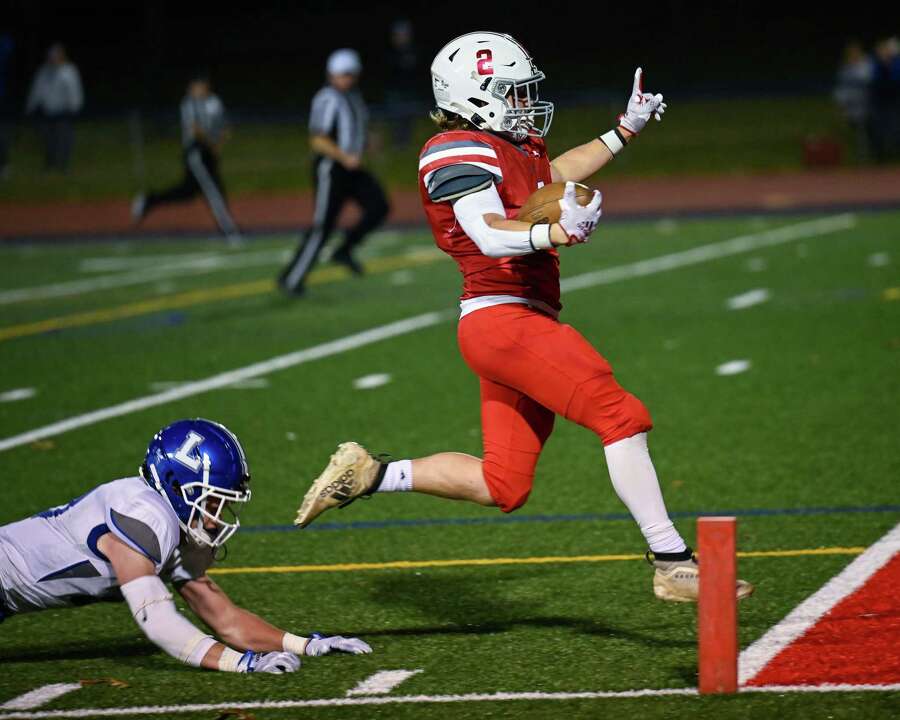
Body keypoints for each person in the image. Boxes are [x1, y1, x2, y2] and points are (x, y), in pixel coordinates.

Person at [295, 32, 753, 604]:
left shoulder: (511, 147)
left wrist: (625, 129)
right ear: (474, 95)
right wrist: (553, 231)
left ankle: (372, 473)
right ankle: (671, 559)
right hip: (503, 319)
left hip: (508, 322)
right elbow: (487, 230)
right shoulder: (454, 147)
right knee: (620, 415)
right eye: (510, 93)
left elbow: (554, 172)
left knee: (503, 484)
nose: (521, 103)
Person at [0, 418, 371, 673]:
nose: (216, 516)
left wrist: (304, 645)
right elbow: (157, 621)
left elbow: (226, 621)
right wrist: (241, 664)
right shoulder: (146, 516)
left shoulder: (173, 524)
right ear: (176, 485)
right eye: (211, 502)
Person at [278, 49, 389, 296]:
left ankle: (345, 249)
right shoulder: (328, 98)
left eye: (349, 74)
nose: (346, 79)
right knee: (323, 226)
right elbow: (318, 140)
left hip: (353, 168)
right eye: (342, 74)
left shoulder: (354, 98)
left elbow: (355, 132)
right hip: (332, 169)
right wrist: (343, 156)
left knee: (379, 206)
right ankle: (292, 279)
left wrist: (368, 143)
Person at [132, 73, 242, 244]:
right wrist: (212, 144)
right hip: (196, 153)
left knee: (187, 192)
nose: (196, 89)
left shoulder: (214, 102)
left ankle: (149, 200)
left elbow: (225, 127)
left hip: (210, 152)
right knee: (213, 189)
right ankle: (230, 231)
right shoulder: (188, 104)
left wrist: (218, 144)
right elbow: (195, 129)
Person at [25, 43, 83, 173]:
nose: (53, 59)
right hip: (47, 111)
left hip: (64, 111)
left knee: (64, 139)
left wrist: (75, 106)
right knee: (48, 140)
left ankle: (64, 166)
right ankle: (49, 165)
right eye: (51, 56)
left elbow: (75, 90)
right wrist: (31, 106)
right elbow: (36, 90)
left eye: (55, 56)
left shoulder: (69, 71)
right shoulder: (44, 71)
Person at [833, 41, 874, 162]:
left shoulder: (867, 67)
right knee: (859, 133)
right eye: (851, 54)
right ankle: (862, 157)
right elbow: (841, 90)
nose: (853, 56)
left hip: (868, 105)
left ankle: (869, 157)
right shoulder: (846, 69)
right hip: (852, 107)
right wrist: (840, 107)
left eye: (856, 53)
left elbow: (869, 82)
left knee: (868, 132)